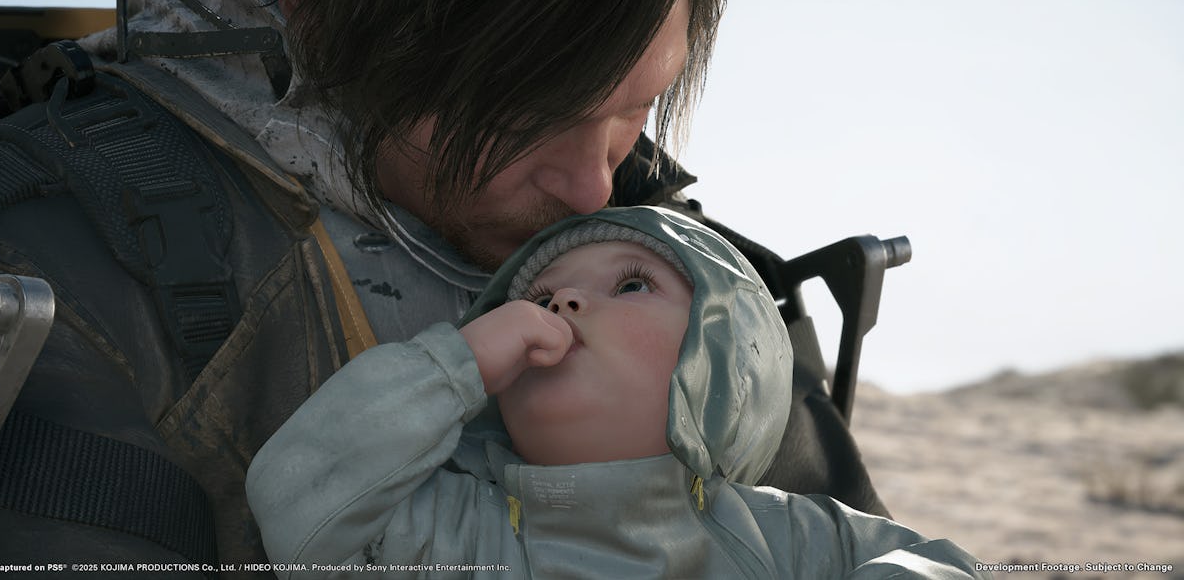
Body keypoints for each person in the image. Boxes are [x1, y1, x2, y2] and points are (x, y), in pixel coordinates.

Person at [0, 0, 883, 573]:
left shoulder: (684, 257)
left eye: (633, 108)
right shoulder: (64, 258)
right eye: (528, 116)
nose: (589, 189)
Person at [246, 206, 985, 579]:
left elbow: (943, 565)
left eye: (631, 285)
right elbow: (299, 500)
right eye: (536, 298)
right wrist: (455, 365)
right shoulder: (460, 533)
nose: (561, 305)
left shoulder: (781, 534)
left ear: (729, 354)